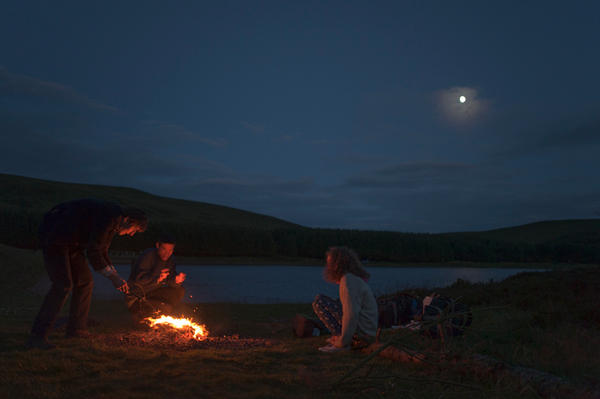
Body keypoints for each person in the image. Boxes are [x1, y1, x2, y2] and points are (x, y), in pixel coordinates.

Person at [28, 198, 148, 349]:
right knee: (62, 285)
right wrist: (113, 278)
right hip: (55, 239)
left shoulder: (114, 221)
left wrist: (116, 275)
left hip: (73, 244)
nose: (131, 234)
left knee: (85, 282)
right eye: (134, 230)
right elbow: (94, 252)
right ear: (128, 220)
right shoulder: (109, 217)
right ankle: (37, 336)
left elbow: (102, 249)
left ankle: (76, 329)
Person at [312, 246, 378, 351]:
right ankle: (343, 337)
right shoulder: (351, 279)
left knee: (319, 301)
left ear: (337, 264)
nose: (328, 267)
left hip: (363, 335)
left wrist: (342, 342)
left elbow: (351, 314)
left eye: (330, 263)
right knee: (324, 300)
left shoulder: (348, 281)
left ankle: (344, 339)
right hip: (366, 332)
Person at [126, 233, 186, 322]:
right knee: (165, 308)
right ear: (158, 245)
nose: (167, 254)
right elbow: (138, 281)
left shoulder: (170, 259)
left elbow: (170, 280)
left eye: (170, 250)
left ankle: (158, 311)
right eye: (164, 249)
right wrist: (158, 279)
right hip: (138, 295)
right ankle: (142, 313)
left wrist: (176, 281)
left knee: (179, 291)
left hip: (153, 291)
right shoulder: (148, 256)